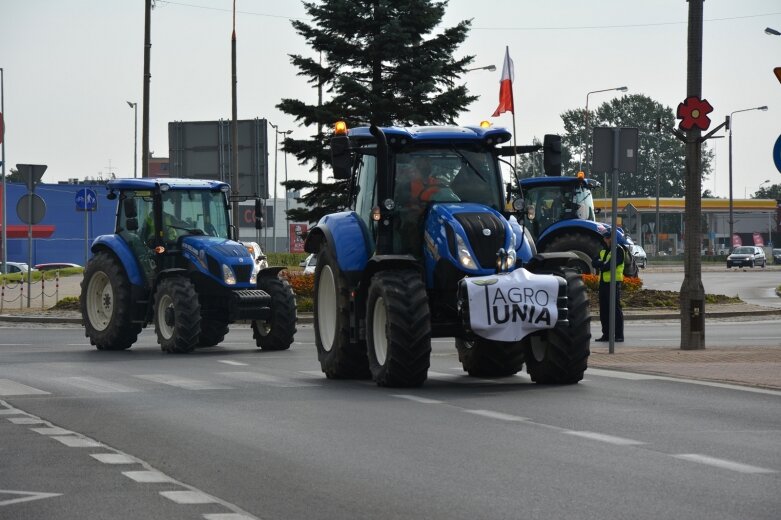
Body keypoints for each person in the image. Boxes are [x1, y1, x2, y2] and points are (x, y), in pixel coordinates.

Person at [592, 228, 625, 342]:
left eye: (606, 237)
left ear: (612, 238)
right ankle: (606, 335)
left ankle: (619, 335)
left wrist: (602, 264)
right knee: (604, 310)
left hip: (614, 283)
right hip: (603, 283)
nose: (604, 239)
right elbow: (594, 262)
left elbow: (609, 266)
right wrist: (602, 263)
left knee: (615, 309)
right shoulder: (603, 251)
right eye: (604, 237)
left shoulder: (619, 250)